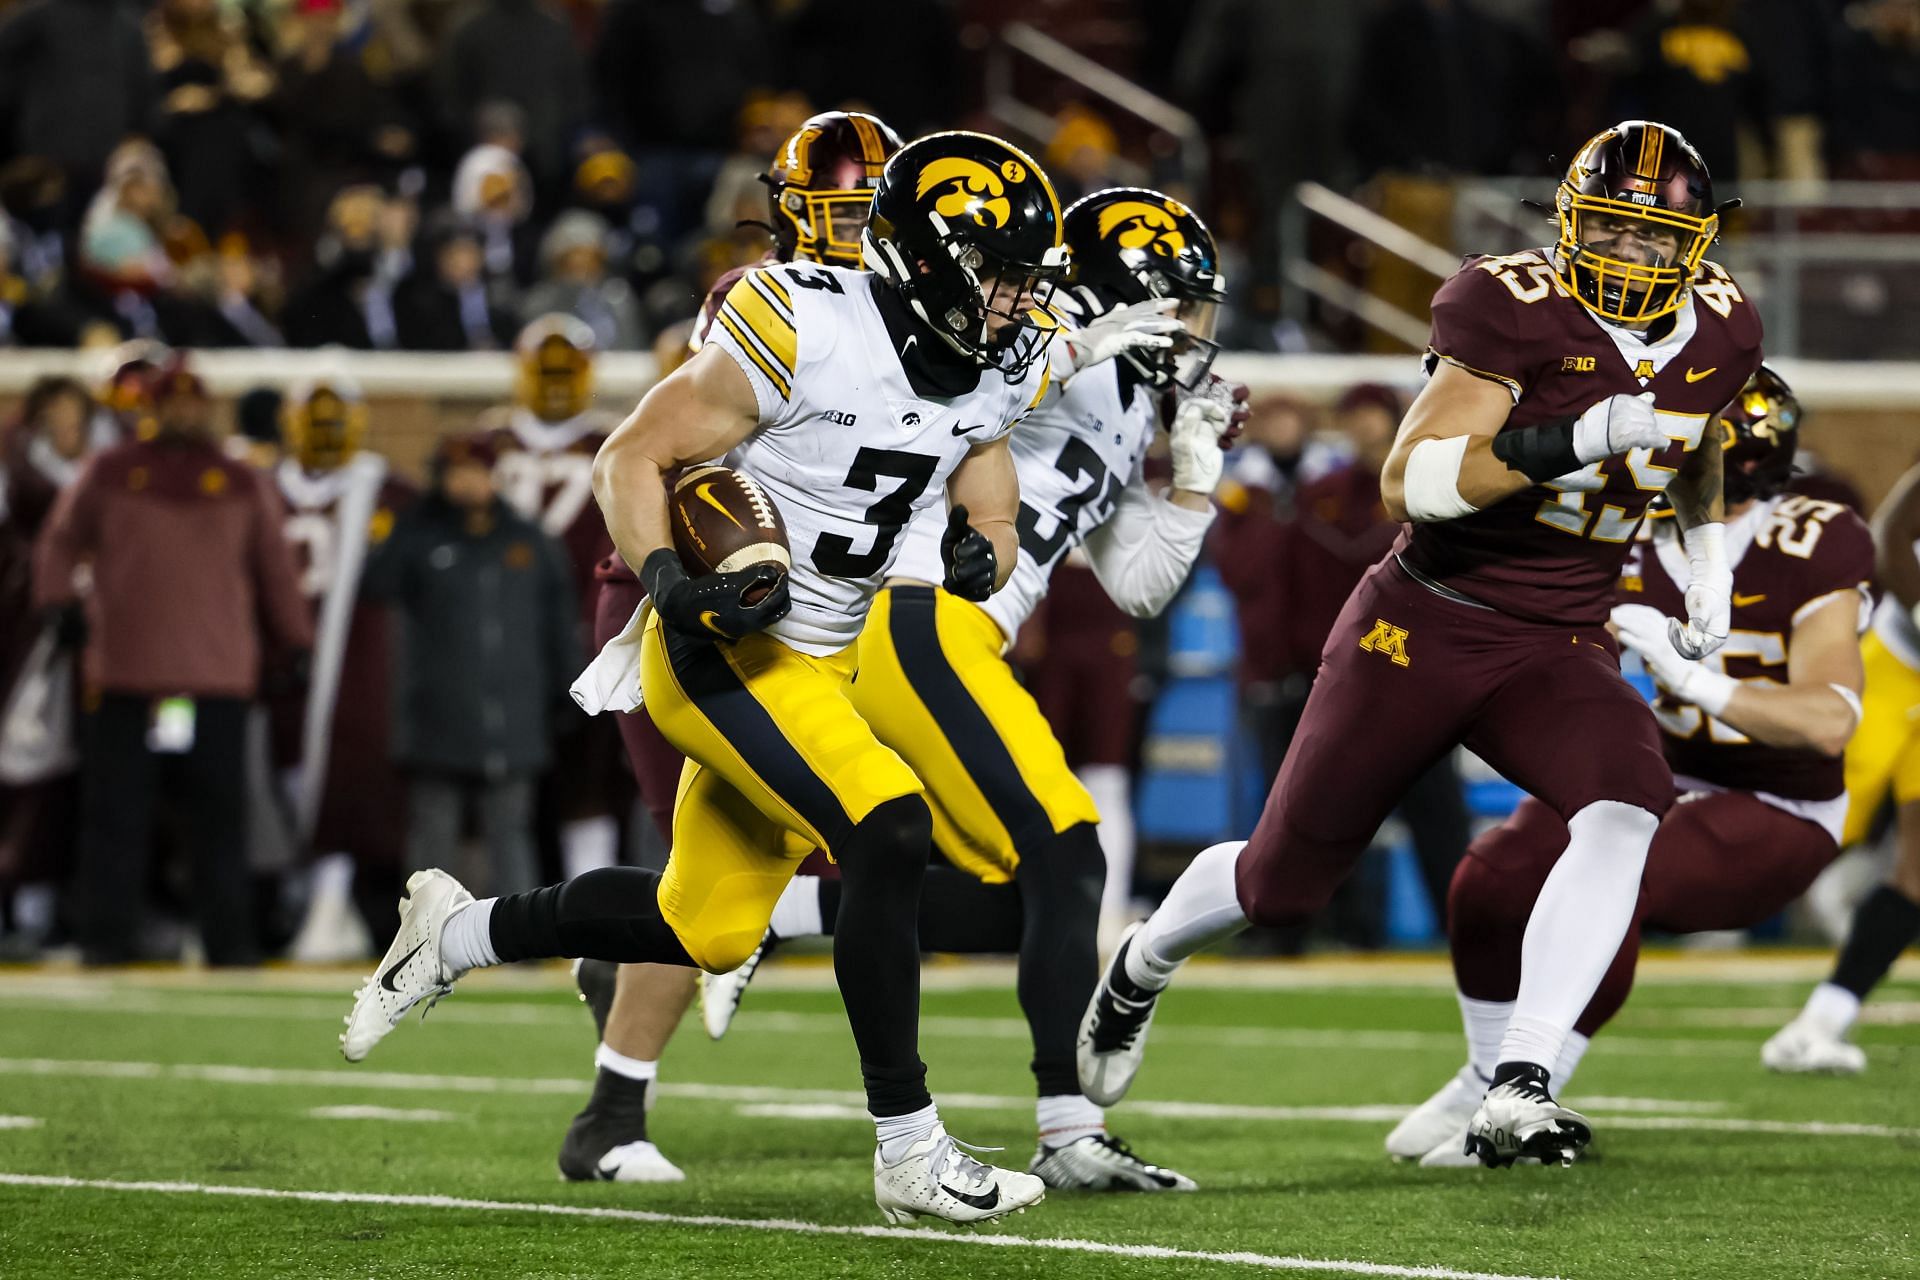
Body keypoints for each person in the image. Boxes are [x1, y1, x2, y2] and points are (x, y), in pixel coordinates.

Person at [341, 130, 1179, 1224]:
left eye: (1028, 280)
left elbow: (984, 457)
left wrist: (988, 536)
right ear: (930, 260)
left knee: (707, 926)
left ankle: (456, 932)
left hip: (829, 657)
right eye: (1003, 275)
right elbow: (630, 455)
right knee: (887, 824)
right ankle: (909, 1144)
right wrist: (663, 577)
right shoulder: (804, 320)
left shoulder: (994, 351)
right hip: (726, 639)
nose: (1020, 303)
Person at [1077, 119, 1762, 1168]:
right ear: (1572, 224)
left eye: (1656, 238)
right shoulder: (1509, 303)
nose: (1633, 256)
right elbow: (1414, 481)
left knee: (1628, 802)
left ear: (1697, 245)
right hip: (1429, 616)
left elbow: (1702, 438)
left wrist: (1707, 561)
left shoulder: (1724, 326)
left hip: (1560, 635)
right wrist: (1578, 436)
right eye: (1613, 232)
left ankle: (1518, 1080)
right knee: (1280, 883)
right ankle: (1142, 959)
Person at [697, 186, 1241, 1194]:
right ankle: (1068, 1129)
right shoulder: (1033, 329)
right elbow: (973, 376)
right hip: (922, 616)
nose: (1201, 334)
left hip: (966, 634)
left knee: (1026, 894)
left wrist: (1195, 483)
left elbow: (1136, 582)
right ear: (1135, 291)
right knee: (1070, 849)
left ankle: (787, 916)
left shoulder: (1130, 398)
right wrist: (1072, 340)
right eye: (1190, 306)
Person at [1389, 368, 1871, 1164]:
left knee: (1620, 874)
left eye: (1683, 442)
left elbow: (1827, 723)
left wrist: (1695, 680)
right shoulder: (1617, 529)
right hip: (1652, 779)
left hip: (1777, 805)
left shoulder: (1813, 538)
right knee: (1492, 875)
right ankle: (1484, 1079)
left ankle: (1530, 1086)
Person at [559, 109, 903, 1185]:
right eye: (841, 214)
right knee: (723, 866)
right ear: (793, 214)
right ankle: (611, 1111)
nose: (858, 237)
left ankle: (617, 941)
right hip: (694, 600)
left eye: (873, 216)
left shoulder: (895, 314)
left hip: (799, 617)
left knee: (805, 859)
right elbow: (679, 468)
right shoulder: (764, 305)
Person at [33, 360, 313, 965]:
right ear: (149, 410)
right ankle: (105, 940)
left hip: (214, 682)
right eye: (170, 404)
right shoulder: (109, 472)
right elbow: (58, 541)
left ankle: (228, 943)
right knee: (116, 820)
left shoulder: (239, 479)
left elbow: (275, 567)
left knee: (219, 822)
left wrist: (296, 640)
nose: (182, 415)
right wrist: (56, 604)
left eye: (192, 403)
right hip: (128, 678)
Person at [360, 434, 576, 897]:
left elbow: (558, 622)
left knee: (512, 838)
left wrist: (567, 691)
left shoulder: (527, 539)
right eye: (455, 473)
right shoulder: (421, 536)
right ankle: (423, 944)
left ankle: (518, 945)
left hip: (514, 716)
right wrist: (414, 518)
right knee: (433, 844)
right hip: (438, 717)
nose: (466, 483)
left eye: (475, 471)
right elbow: (377, 582)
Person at [1765, 452, 1920, 1072]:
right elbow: (1891, 533)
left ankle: (1818, 1024)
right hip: (1892, 667)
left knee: (1918, 870)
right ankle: (1619, 895)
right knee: (1811, 825)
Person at [270, 378, 416, 962]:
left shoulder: (388, 492)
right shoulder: (260, 487)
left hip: (354, 660)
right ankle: (293, 897)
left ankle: (329, 901)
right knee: (275, 779)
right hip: (275, 660)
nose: (327, 432)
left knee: (346, 783)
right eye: (315, 417)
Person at [474, 314, 622, 884]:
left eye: (569, 370)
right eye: (547, 369)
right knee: (502, 784)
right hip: (498, 645)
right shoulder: (488, 444)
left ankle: (597, 900)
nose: (558, 382)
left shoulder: (614, 440)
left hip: (584, 641)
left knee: (589, 781)